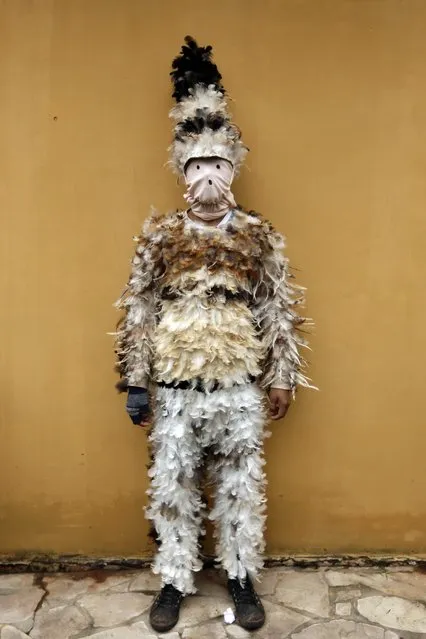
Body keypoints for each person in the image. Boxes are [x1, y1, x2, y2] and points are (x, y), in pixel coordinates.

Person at [113, 36, 313, 633]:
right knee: (172, 486)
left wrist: (280, 376)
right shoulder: (159, 237)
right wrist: (136, 380)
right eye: (196, 166)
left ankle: (241, 575)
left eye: (217, 166)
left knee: (239, 483)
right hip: (175, 388)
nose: (206, 177)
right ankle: (175, 579)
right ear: (183, 171)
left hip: (238, 388)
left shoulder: (257, 236)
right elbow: (139, 309)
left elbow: (278, 307)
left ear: (232, 169)